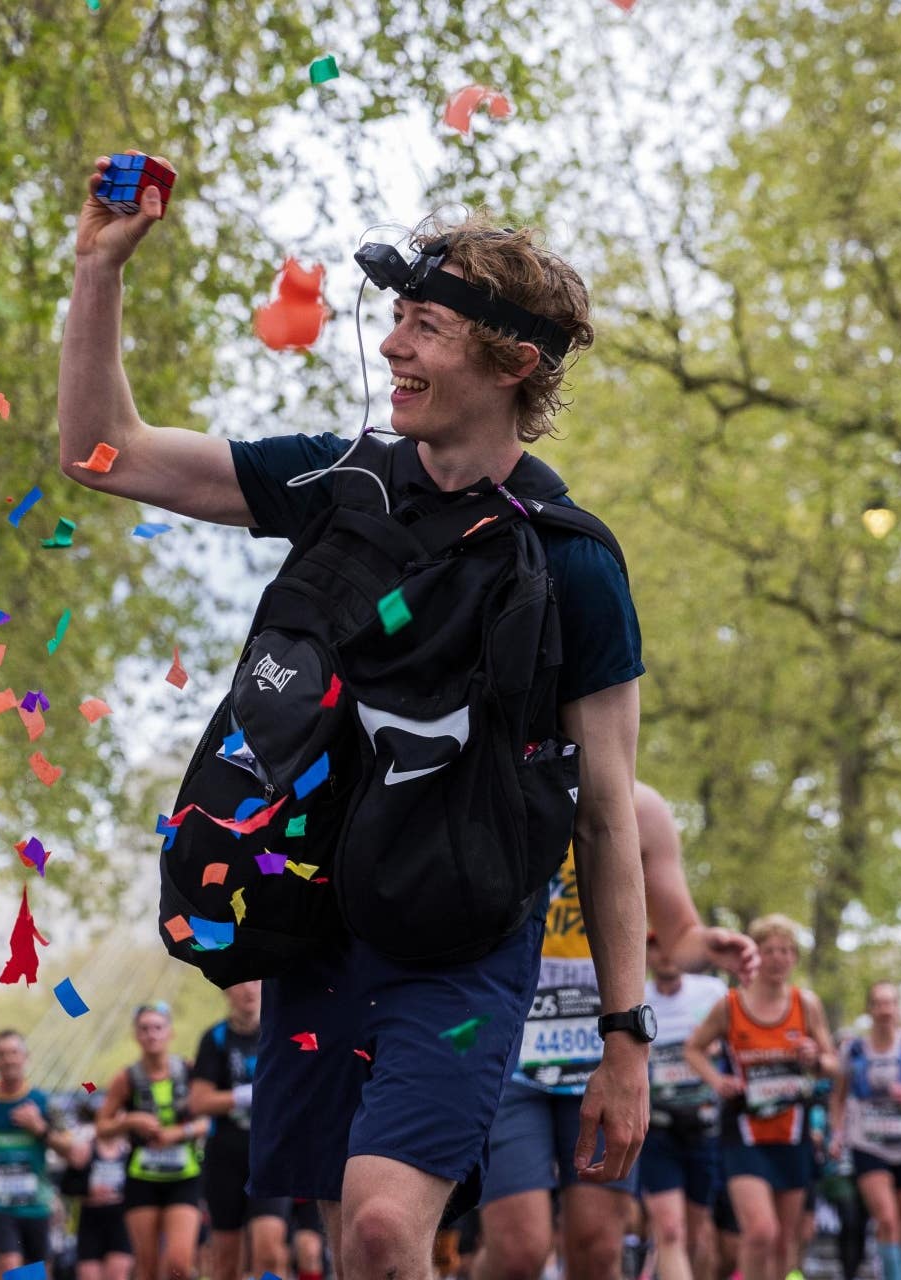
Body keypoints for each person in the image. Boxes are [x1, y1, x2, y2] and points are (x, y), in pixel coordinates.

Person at [57, 154, 650, 1280]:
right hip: (317, 924)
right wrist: (97, 273)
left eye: (425, 327)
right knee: (354, 1246)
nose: (392, 347)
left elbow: (609, 812)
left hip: (466, 943)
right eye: (397, 321)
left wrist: (627, 1034)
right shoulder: (342, 479)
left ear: (514, 359)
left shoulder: (577, 564)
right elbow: (105, 454)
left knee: (385, 1227)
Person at [480, 784, 757, 1280]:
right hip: (509, 1050)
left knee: (599, 1248)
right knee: (519, 1251)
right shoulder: (501, 779)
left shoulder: (642, 806)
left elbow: (680, 935)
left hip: (605, 1054)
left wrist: (710, 948)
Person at [682, 915, 839, 1280]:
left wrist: (815, 1057)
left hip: (792, 1132)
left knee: (785, 1240)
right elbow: (693, 1049)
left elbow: (833, 1065)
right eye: (769, 950)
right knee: (760, 1231)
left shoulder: (806, 1004)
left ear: (795, 958)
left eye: (786, 950)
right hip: (744, 1133)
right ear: (756, 956)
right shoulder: (730, 1005)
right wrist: (717, 1079)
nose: (778, 958)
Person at [639, 932, 731, 1280]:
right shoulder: (635, 997)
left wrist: (710, 1051)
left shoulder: (711, 991)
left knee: (696, 1235)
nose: (664, 955)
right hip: (657, 1130)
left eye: (669, 944)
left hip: (705, 1127)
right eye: (654, 946)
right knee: (671, 1231)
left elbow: (738, 1043)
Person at [830, 982, 901, 1280]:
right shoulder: (853, 1050)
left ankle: (892, 1269)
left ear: (897, 1008)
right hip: (867, 1142)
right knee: (887, 1220)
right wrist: (837, 1134)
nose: (885, 1010)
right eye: (879, 1003)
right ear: (870, 1009)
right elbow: (837, 1098)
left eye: (890, 1003)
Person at [98, 1003, 208, 1280]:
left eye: (158, 1027)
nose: (151, 1034)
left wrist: (178, 1133)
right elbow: (102, 1128)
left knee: (178, 1265)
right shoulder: (126, 1078)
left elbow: (210, 1120)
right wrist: (130, 1121)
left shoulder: (189, 1070)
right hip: (142, 1178)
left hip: (184, 1176)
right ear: (136, 1035)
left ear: (170, 1033)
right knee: (146, 1266)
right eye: (144, 1029)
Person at [191, 981, 290, 1280]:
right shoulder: (215, 1038)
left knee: (270, 1250)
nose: (248, 990)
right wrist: (244, 1096)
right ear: (226, 990)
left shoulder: (283, 1031)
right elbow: (198, 1101)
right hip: (225, 1156)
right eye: (239, 983)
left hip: (271, 1154)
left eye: (255, 982)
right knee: (225, 1259)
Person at [0, 1030, 62, 1271]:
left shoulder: (42, 1101)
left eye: (14, 1053)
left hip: (36, 1202)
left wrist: (40, 1128)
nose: (8, 1059)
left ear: (26, 1057)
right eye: (2, 1054)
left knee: (37, 1272)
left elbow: (72, 1148)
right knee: (10, 1265)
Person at [65, 1101, 134, 1280]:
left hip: (120, 1219)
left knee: (118, 1274)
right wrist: (89, 1190)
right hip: (91, 1219)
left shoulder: (129, 1150)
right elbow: (67, 1186)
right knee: (89, 1274)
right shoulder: (85, 1149)